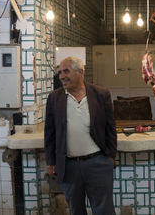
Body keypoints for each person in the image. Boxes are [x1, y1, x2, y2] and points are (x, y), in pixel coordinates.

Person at [44, 56, 117, 215]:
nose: (62, 76)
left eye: (66, 71)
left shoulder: (101, 94)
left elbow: (110, 127)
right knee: (76, 210)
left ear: (80, 72)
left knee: (104, 210)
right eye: (60, 72)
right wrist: (50, 161)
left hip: (98, 163)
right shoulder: (54, 98)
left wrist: (110, 157)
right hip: (68, 166)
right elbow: (49, 132)